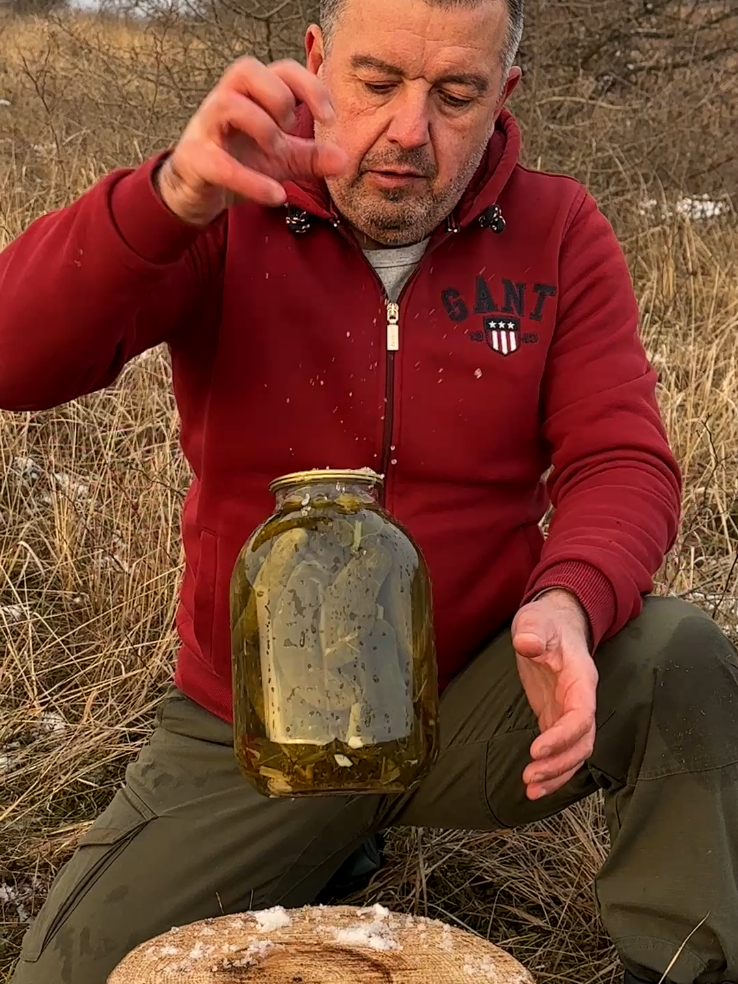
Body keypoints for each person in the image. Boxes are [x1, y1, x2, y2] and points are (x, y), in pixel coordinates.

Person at [1, 0, 736, 980]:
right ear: (316, 64)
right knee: (69, 972)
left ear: (505, 93)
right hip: (258, 728)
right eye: (379, 83)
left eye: (456, 94)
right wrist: (170, 193)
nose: (409, 132)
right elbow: (15, 361)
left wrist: (568, 599)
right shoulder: (228, 212)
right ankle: (324, 846)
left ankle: (689, 965)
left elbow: (623, 458)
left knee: (676, 655)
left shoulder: (559, 232)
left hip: (480, 693)